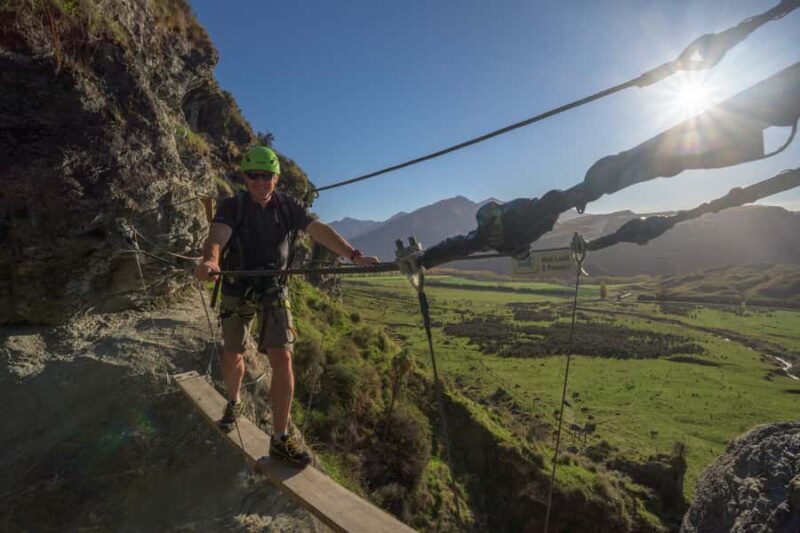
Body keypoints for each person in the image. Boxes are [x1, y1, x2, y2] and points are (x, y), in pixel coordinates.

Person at [194, 146, 379, 467]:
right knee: (232, 353)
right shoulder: (233, 206)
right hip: (237, 285)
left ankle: (280, 439)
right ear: (245, 177)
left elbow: (318, 231)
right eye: (254, 175)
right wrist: (211, 260)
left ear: (276, 178)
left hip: (274, 287)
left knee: (283, 357)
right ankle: (235, 401)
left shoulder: (287, 206)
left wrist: (354, 255)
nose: (260, 182)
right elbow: (217, 236)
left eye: (266, 176)